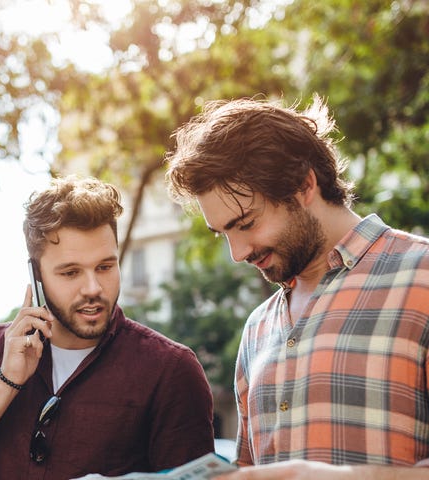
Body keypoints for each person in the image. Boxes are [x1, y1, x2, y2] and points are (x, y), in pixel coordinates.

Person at [164, 95, 429, 479]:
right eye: (223, 233)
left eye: (246, 223)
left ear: (305, 185)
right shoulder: (257, 327)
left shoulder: (422, 276)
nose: (237, 253)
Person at [0, 175, 215, 479]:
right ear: (36, 277)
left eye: (105, 267)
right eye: (70, 273)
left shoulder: (170, 369)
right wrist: (6, 381)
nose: (93, 287)